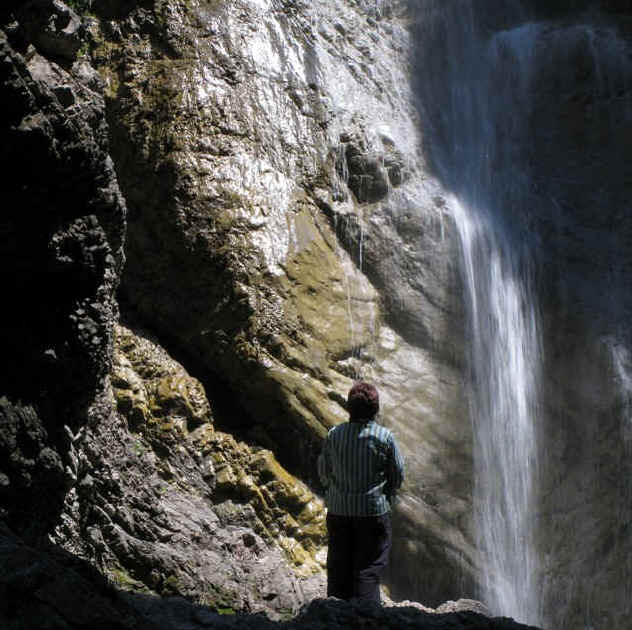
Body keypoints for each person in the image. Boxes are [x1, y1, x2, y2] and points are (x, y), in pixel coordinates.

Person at [317, 381, 404, 603]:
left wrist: (333, 490)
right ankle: (367, 618)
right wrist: (388, 494)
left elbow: (323, 469)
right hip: (372, 513)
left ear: (349, 408)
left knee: (338, 568)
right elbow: (397, 473)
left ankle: (334, 617)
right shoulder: (384, 437)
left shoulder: (334, 434)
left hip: (338, 511)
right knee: (367, 570)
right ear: (375, 409)